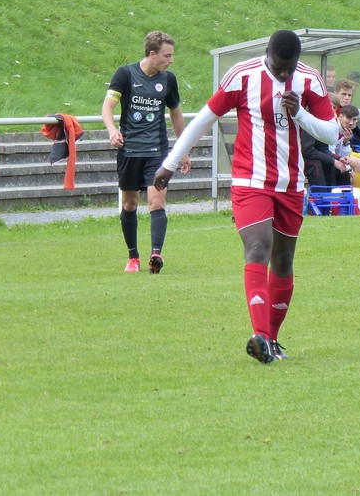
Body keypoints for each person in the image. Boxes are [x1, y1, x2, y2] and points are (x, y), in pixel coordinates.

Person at [153, 30, 338, 364]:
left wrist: (300, 113)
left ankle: (273, 340)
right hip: (250, 180)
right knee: (257, 247)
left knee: (283, 260)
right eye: (279, 68)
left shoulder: (310, 80)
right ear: (267, 52)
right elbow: (204, 120)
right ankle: (261, 336)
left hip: (291, 184)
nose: (284, 74)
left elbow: (331, 132)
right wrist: (170, 163)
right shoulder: (242, 75)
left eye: (290, 69)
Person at [101, 31, 191, 274]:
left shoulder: (168, 80)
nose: (171, 60)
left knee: (157, 202)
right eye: (167, 55)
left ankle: (156, 254)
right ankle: (133, 258)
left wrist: (183, 149)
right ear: (152, 54)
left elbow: (176, 115)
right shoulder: (125, 74)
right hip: (129, 151)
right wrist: (112, 131)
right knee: (129, 204)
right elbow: (107, 107)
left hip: (156, 151)